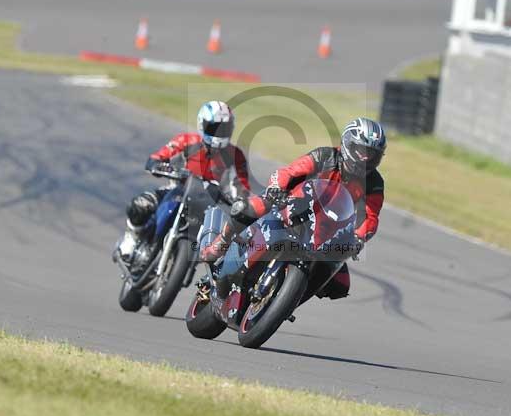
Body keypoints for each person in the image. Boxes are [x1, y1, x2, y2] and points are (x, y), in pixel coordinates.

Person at [201, 117, 387, 300]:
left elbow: (370, 217)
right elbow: (290, 172)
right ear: (348, 144)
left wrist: (359, 237)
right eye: (362, 151)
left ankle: (291, 299)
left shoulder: (374, 183)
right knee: (249, 207)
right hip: (295, 203)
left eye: (372, 154)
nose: (365, 158)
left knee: (340, 283)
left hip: (329, 227)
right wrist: (276, 188)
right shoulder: (325, 156)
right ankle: (220, 244)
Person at [114, 100, 250, 266]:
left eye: (224, 129)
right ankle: (132, 237)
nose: (219, 133)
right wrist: (158, 164)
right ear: (202, 124)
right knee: (141, 204)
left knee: (226, 241)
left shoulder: (236, 155)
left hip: (211, 204)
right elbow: (158, 157)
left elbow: (242, 186)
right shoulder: (187, 140)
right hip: (178, 189)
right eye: (214, 128)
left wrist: (241, 201)